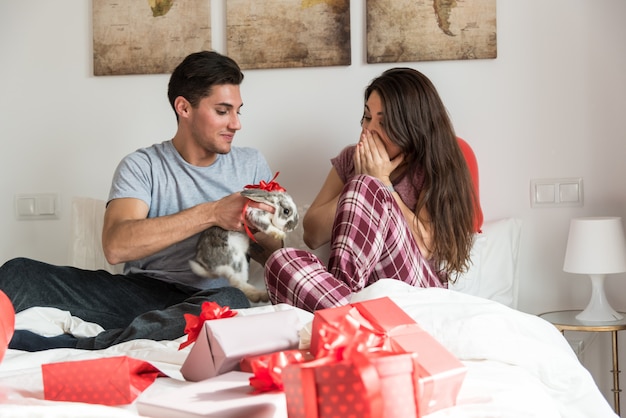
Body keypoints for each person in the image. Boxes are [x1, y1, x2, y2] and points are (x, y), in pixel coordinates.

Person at [0, 50, 282, 351]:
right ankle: (144, 332)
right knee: (19, 272)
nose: (236, 123)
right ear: (184, 108)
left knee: (232, 303)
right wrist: (213, 212)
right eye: (223, 111)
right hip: (139, 294)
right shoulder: (142, 165)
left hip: (209, 300)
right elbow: (116, 246)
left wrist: (258, 228)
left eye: (239, 111)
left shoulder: (251, 163)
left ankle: (83, 346)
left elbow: (275, 257)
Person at [264, 67, 483, 312]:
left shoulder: (437, 164)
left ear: (412, 126)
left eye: (385, 122)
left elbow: (425, 246)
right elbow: (312, 235)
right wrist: (361, 176)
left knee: (365, 185)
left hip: (418, 295)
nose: (368, 130)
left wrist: (381, 183)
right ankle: (355, 317)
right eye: (367, 117)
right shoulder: (351, 159)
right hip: (365, 300)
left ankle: (344, 316)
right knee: (280, 262)